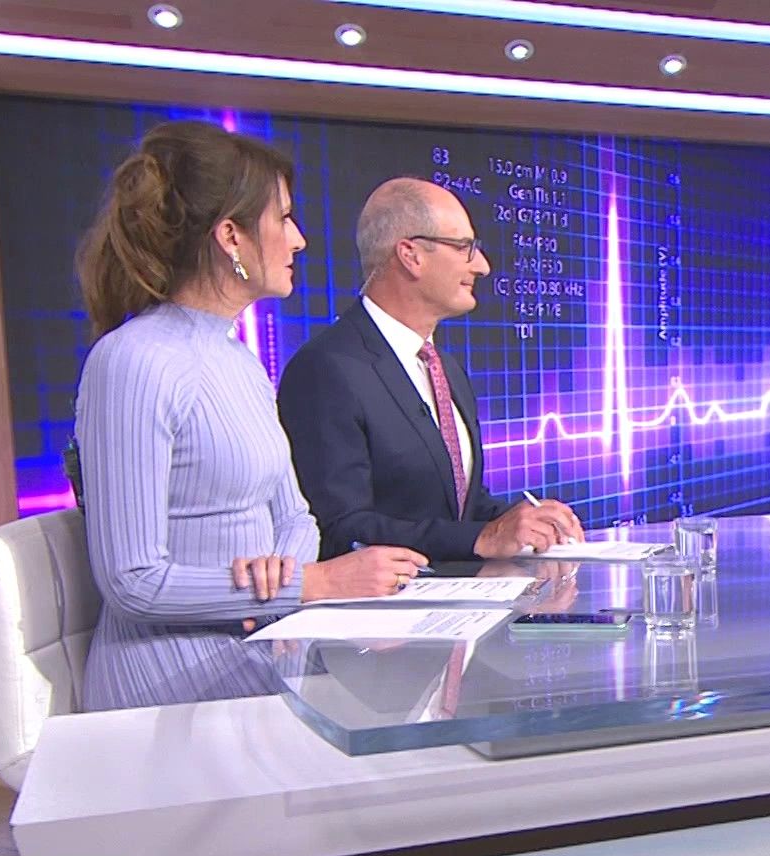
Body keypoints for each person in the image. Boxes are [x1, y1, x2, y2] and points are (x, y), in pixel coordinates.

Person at [74, 122, 427, 711]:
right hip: (166, 686)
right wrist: (312, 584)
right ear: (231, 237)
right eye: (283, 218)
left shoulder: (239, 359)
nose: (299, 240)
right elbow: (131, 581)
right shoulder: (132, 361)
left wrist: (280, 585)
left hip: (258, 647)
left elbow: (294, 514)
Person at [277, 178, 584, 563]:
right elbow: (339, 528)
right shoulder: (326, 369)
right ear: (411, 255)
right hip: (384, 601)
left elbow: (455, 508)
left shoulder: (444, 368)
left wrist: (519, 520)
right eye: (464, 247)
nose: (482, 266)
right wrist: (480, 538)